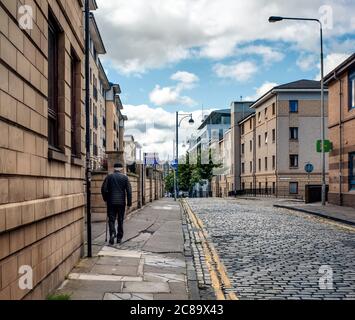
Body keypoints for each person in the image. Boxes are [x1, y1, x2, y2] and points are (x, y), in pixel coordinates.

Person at [101, 163, 132, 245]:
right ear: (121, 169)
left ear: (114, 169)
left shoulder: (109, 177)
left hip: (111, 202)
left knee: (111, 220)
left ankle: (112, 233)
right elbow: (129, 191)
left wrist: (105, 199)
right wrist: (129, 203)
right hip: (121, 203)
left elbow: (103, 189)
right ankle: (119, 238)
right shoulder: (125, 178)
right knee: (120, 220)